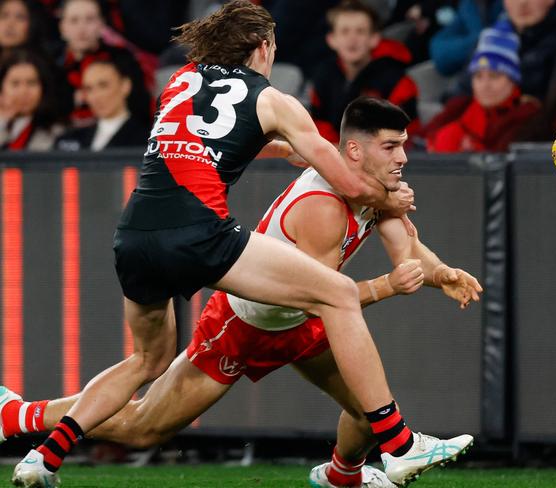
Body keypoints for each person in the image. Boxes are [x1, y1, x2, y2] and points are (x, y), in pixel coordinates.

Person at [9, 3, 460, 487]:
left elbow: (208, 134)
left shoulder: (178, 81)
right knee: (339, 293)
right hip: (200, 235)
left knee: (145, 361)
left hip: (134, 234)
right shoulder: (274, 100)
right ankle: (401, 444)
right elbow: (351, 186)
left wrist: (280, 147)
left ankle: (38, 446)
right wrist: (391, 195)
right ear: (263, 48)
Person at [310, 0, 419, 144]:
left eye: (360, 31)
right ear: (331, 39)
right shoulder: (324, 74)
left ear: (374, 38)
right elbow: (318, 124)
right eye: (344, 31)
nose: (352, 38)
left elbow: (402, 134)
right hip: (335, 156)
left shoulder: (397, 80)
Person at [422, 24, 539, 152]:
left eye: (494, 76)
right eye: (478, 76)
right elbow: (416, 144)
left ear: (513, 80)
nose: (485, 84)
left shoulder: (528, 116)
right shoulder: (459, 107)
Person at [56, 0, 150, 127]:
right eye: (74, 20)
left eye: (89, 19)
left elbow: (140, 105)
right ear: (62, 27)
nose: (82, 28)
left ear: (101, 24)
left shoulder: (123, 60)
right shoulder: (52, 64)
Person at [55, 58, 149, 151]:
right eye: (89, 89)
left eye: (103, 86)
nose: (96, 97)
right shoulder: (69, 140)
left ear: (125, 86)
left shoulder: (150, 141)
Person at [0, 48, 66, 150]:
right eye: (15, 83)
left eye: (31, 83)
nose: (23, 91)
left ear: (43, 88)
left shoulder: (57, 132)